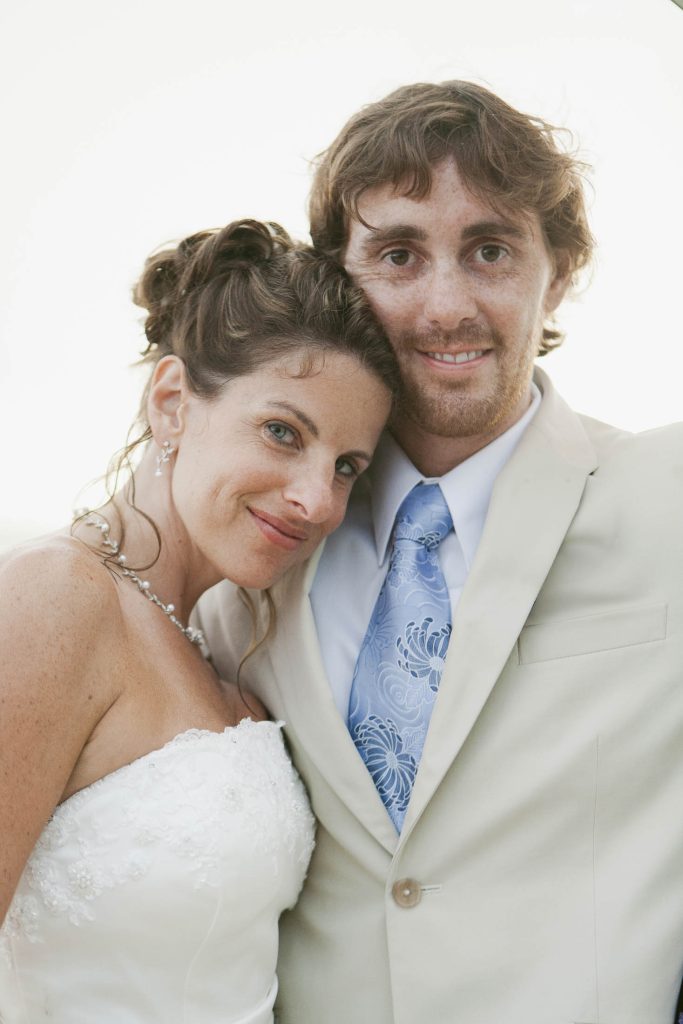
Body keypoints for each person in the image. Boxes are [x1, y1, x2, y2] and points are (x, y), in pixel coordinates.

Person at [196, 83, 683, 1023]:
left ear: (559, 272)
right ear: (341, 280)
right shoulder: (255, 551)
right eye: (398, 256)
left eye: (490, 250)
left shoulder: (668, 497)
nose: (445, 306)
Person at [0, 218, 397, 1023]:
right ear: (173, 403)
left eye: (345, 467)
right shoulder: (57, 595)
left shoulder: (219, 639)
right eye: (282, 432)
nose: (317, 501)